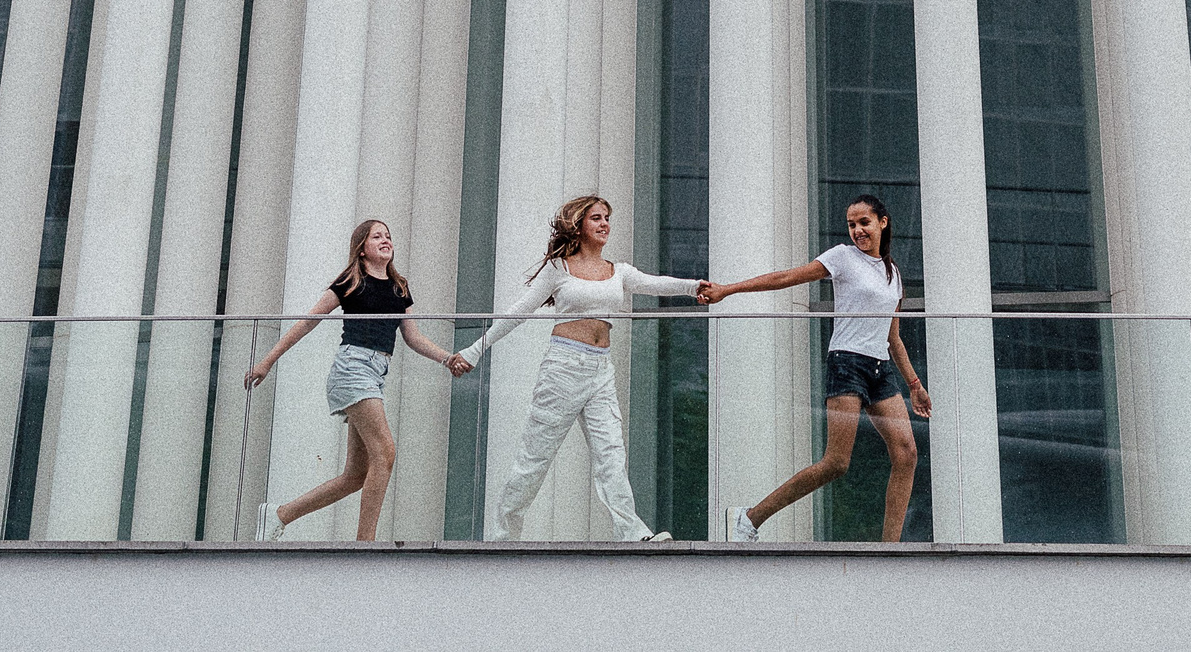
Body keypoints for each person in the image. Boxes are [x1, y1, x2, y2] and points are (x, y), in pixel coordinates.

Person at [457, 193, 702, 540]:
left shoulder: (618, 272)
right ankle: (501, 536)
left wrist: (695, 288)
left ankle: (632, 532)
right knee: (535, 456)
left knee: (612, 454)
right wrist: (474, 349)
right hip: (563, 367)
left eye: (606, 218)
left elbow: (655, 283)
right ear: (579, 225)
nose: (604, 224)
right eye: (596, 218)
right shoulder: (560, 268)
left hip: (601, 369)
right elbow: (520, 311)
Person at [703, 193, 930, 543]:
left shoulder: (893, 274)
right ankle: (750, 518)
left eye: (864, 223)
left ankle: (890, 548)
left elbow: (893, 336)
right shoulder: (842, 257)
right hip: (847, 363)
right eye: (852, 224)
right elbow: (786, 278)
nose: (857, 231)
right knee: (836, 463)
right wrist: (728, 290)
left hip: (880, 369)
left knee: (907, 453)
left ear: (883, 222)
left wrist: (914, 384)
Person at [243, 217, 464, 540]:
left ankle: (279, 514)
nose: (386, 240)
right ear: (362, 249)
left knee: (355, 475)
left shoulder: (398, 286)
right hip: (353, 368)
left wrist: (447, 358)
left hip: (376, 374)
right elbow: (308, 322)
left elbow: (413, 337)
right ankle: (365, 543)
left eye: (388, 236)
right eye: (377, 237)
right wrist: (266, 362)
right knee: (385, 452)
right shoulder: (351, 280)